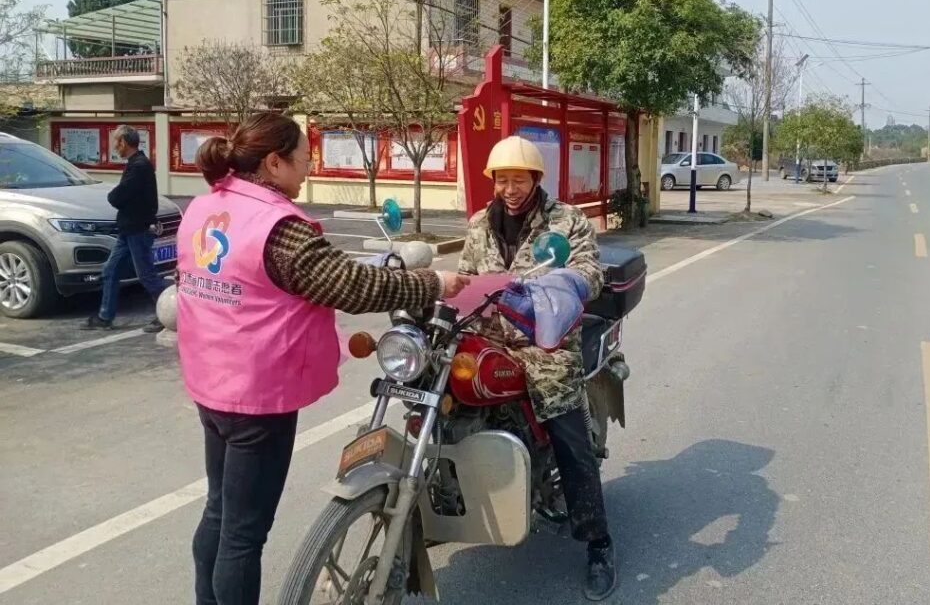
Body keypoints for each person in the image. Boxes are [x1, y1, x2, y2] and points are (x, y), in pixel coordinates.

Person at [176, 112, 467, 605]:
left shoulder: (204, 207)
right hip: (257, 396)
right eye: (302, 159)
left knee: (219, 513)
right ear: (274, 163)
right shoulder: (279, 228)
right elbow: (352, 286)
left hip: (211, 382)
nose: (308, 168)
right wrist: (432, 282)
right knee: (243, 535)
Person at [458, 135, 617, 601]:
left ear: (536, 179)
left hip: (545, 344)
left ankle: (599, 543)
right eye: (502, 179)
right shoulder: (478, 224)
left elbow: (592, 273)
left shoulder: (566, 221)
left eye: (518, 179)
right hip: (489, 337)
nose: (509, 188)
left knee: (568, 435)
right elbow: (467, 276)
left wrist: (557, 282)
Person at [84, 124, 167, 332]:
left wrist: (115, 197)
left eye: (116, 142)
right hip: (128, 229)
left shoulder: (139, 166)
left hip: (138, 229)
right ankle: (105, 316)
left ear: (124, 142)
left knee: (147, 275)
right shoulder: (136, 163)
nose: (114, 146)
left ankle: (168, 313)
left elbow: (118, 196)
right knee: (110, 271)